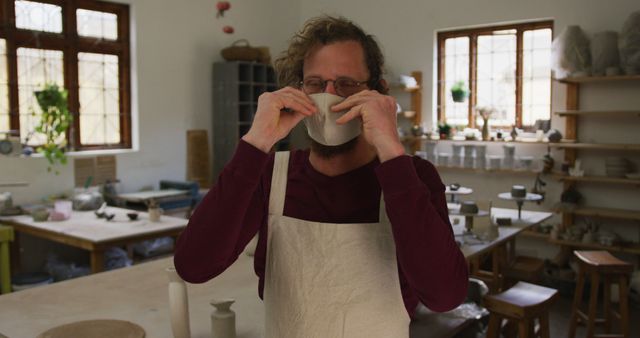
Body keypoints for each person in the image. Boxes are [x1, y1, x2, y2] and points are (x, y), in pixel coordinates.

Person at [174, 15, 468, 338]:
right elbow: (193, 265)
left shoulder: (411, 178)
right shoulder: (273, 176)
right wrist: (257, 143)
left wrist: (391, 150)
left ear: (378, 93)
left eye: (346, 84)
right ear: (298, 91)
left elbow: (445, 295)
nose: (329, 97)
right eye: (315, 84)